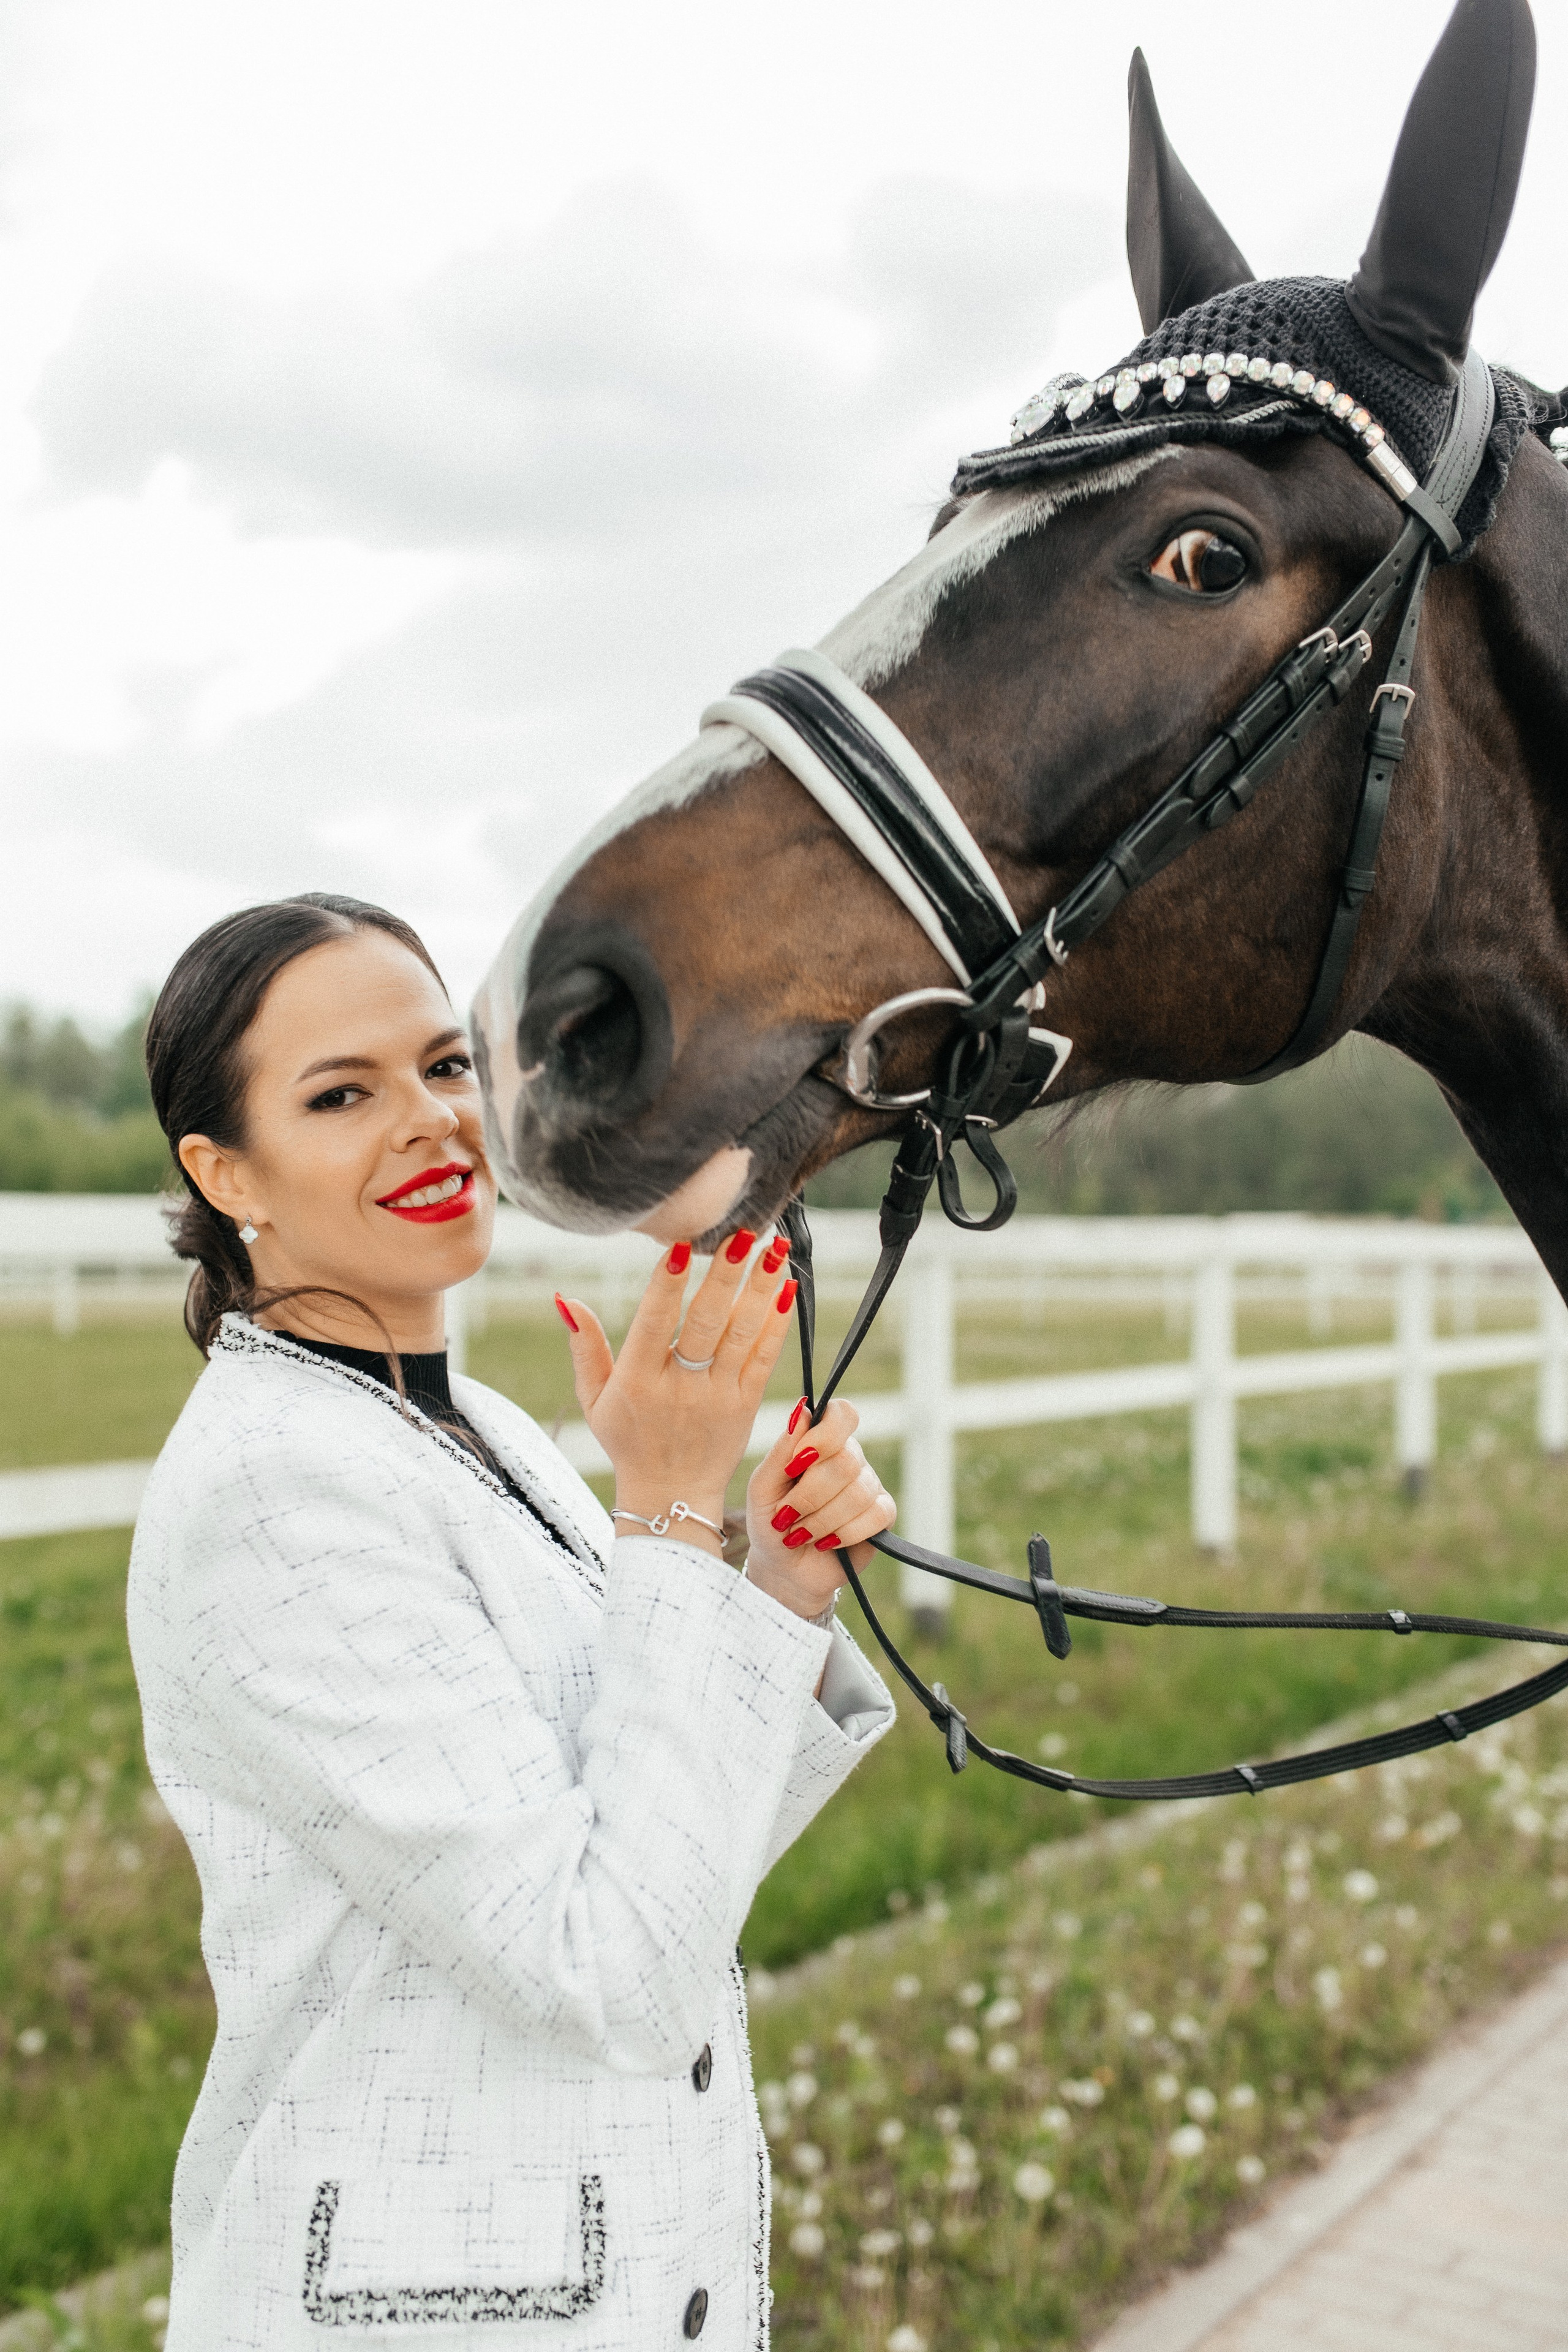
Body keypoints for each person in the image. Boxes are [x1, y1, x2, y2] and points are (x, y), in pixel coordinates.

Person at [127, 892, 897, 2350]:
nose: (428, 1120)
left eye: (443, 1066)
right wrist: (667, 1499)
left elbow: (655, 1863)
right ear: (226, 1169)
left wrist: (770, 1586)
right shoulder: (276, 1491)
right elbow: (602, 1961)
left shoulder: (476, 1425)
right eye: (341, 1093)